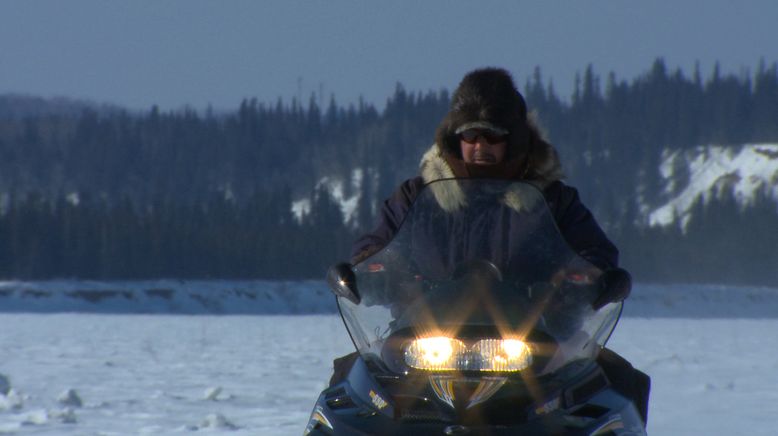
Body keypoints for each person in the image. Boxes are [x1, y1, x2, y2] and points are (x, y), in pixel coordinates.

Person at [333, 67, 649, 423]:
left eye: (492, 136)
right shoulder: (416, 196)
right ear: (456, 139)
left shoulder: (553, 199)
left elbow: (594, 252)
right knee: (349, 387)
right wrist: (370, 270)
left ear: (512, 139)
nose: (480, 146)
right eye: (470, 135)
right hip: (424, 336)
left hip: (533, 340)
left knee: (615, 386)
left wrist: (590, 279)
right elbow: (379, 245)